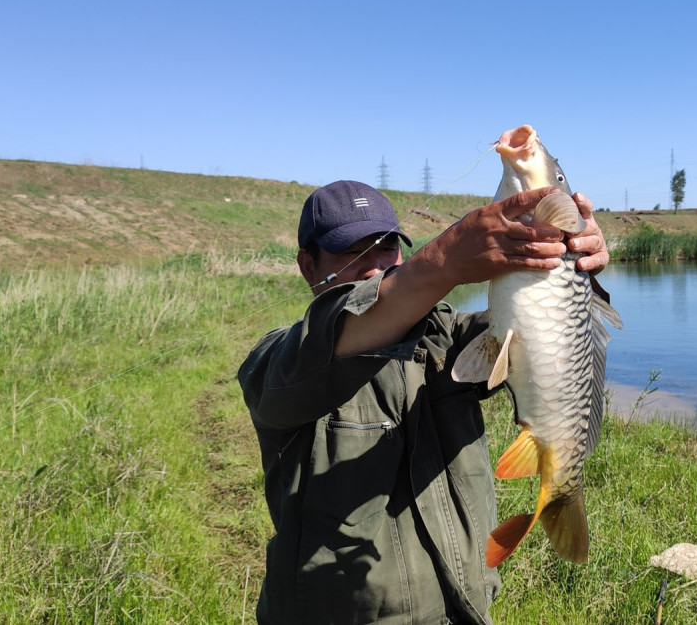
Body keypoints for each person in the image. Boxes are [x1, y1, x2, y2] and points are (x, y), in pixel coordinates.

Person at [238, 179, 609, 624]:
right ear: (307, 265)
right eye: (350, 252)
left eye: (385, 249)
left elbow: (542, 330)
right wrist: (446, 262)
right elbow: (339, 333)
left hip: (465, 612)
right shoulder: (277, 363)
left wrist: (571, 266)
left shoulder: (444, 339)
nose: (374, 267)